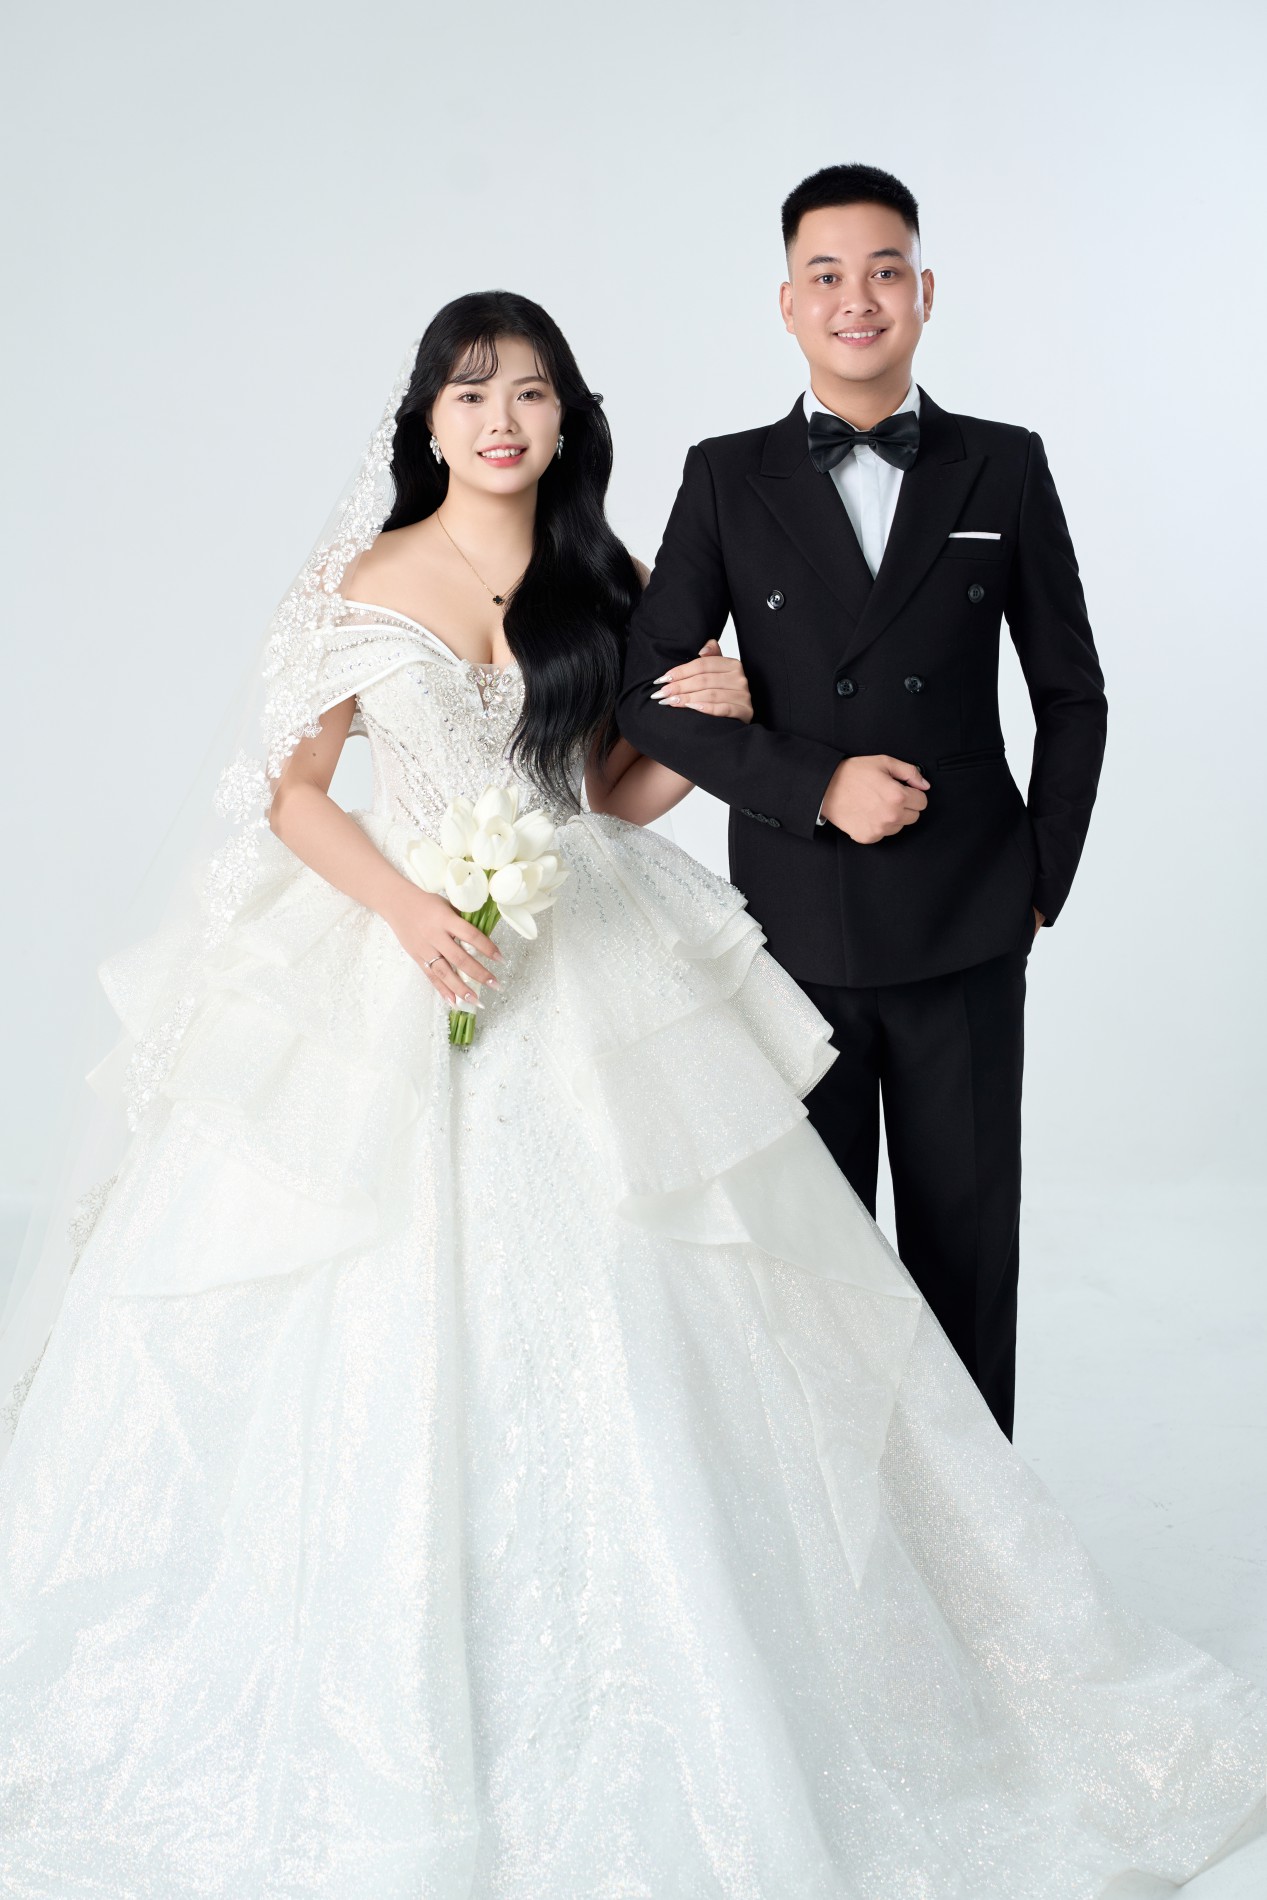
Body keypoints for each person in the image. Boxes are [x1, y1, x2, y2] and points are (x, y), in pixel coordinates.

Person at [0, 292, 1261, 1898]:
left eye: (530, 394)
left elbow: (602, 792)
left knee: (672, 1297)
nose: (500, 421)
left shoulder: (599, 577)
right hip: (405, 949)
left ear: (565, 421)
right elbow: (293, 794)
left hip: (583, 947)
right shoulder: (362, 579)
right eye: (471, 394)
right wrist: (406, 911)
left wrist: (696, 726)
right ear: (427, 419)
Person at [619, 162, 1108, 1439]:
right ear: (787, 303)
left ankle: (983, 1546)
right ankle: (846, 1550)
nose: (857, 299)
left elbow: (1071, 693)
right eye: (826, 275)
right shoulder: (725, 475)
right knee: (815, 1274)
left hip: (967, 925)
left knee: (965, 1258)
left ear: (924, 292)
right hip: (794, 932)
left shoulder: (1003, 466)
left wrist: (1039, 879)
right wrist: (814, 783)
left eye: (883, 271)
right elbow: (644, 696)